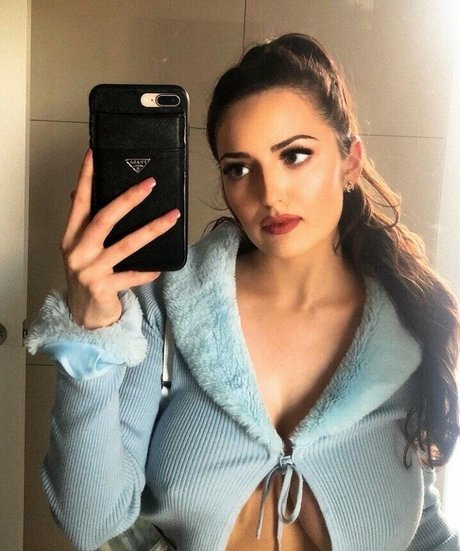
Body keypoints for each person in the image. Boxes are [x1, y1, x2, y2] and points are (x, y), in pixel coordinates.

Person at [26, 33, 459, 551]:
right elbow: (89, 522)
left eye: (294, 155)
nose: (269, 193)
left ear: (350, 161)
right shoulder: (162, 306)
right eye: (239, 168)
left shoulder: (410, 322)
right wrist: (90, 333)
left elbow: (420, 524)